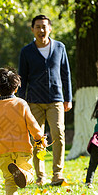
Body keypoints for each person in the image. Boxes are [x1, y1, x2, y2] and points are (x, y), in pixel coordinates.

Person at [0, 67, 48, 195]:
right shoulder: (21, 104)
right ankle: (23, 174)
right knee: (29, 173)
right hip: (22, 148)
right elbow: (32, 124)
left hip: (1, 151)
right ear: (16, 88)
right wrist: (39, 138)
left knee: (10, 181)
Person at [18, 14, 73, 186]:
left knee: (58, 134)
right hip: (33, 101)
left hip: (56, 100)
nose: (41, 30)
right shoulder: (26, 51)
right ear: (32, 29)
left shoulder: (60, 47)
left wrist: (68, 98)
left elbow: (66, 74)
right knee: (37, 138)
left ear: (50, 28)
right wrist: (21, 102)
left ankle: (57, 174)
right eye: (38, 27)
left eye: (44, 26)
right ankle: (40, 176)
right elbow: (22, 78)